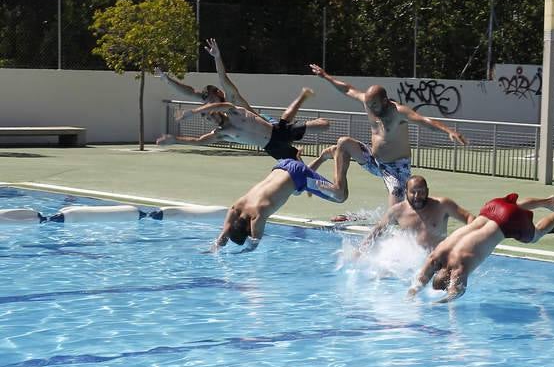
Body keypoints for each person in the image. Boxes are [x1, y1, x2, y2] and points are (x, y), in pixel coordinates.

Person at [309, 64, 467, 205]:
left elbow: (424, 120)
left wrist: (449, 131)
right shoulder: (369, 103)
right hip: (373, 160)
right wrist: (325, 76)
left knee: (395, 212)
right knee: (344, 142)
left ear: (385, 101)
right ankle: (339, 189)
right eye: (369, 105)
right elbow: (348, 89)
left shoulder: (399, 112)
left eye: (375, 105)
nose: (372, 108)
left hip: (396, 168)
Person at [408, 194, 554, 302]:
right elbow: (422, 276)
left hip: (507, 222)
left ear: (449, 278)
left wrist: (437, 304)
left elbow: (455, 293)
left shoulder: (458, 268)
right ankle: (547, 202)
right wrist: (412, 293)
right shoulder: (437, 255)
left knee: (536, 235)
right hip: (492, 208)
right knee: (513, 206)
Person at [210, 148, 348, 252]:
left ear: (248, 227)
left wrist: (242, 252)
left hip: (297, 174)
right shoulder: (236, 207)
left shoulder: (257, 216)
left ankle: (338, 155)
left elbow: (254, 243)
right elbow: (225, 232)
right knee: (297, 191)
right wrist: (214, 249)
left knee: (340, 196)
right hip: (282, 166)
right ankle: (322, 157)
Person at [156, 87, 324, 160]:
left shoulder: (232, 110)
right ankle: (303, 154)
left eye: (211, 114)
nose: (212, 118)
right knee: (302, 179)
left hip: (278, 132)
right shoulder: (220, 134)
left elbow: (220, 105)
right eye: (208, 118)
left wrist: (193, 112)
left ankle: (303, 96)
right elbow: (198, 141)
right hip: (273, 148)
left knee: (324, 125)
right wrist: (174, 139)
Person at [358, 175, 475, 253]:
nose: (417, 197)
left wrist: (469, 241)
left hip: (437, 261)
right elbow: (378, 229)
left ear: (427, 192)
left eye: (421, 192)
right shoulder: (397, 211)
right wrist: (360, 251)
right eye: (413, 192)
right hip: (411, 264)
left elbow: (469, 218)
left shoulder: (442, 205)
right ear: (406, 192)